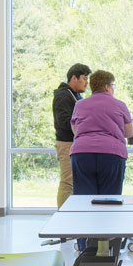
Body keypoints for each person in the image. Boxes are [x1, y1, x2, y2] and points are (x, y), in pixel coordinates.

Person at [70, 70, 133, 246]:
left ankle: (85, 246)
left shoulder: (80, 105)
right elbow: (129, 133)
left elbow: (75, 129)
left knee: (84, 202)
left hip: (82, 154)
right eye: (113, 86)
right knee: (110, 201)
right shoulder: (119, 105)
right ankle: (108, 246)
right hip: (111, 154)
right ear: (107, 86)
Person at [53, 63, 91, 207]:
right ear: (74, 78)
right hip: (66, 144)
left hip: (75, 144)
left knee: (75, 182)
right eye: (84, 78)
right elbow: (63, 121)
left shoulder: (76, 96)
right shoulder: (62, 95)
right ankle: (62, 216)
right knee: (67, 182)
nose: (86, 82)